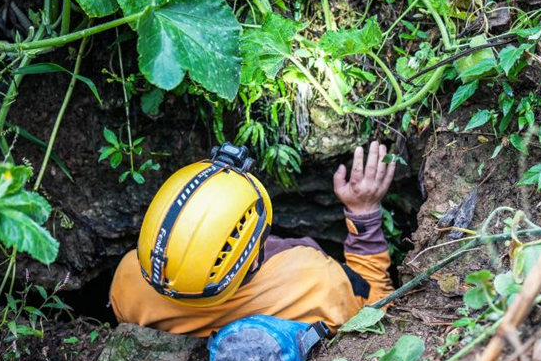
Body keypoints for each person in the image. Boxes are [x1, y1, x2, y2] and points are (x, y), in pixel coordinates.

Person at [109, 141, 397, 337]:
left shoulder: (127, 281)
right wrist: (363, 213)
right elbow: (378, 303)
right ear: (256, 245)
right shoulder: (316, 283)